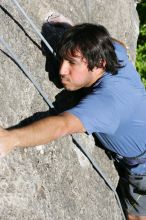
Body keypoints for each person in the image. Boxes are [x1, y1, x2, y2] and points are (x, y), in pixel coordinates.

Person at [0, 13, 146, 220]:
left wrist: (10, 139)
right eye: (62, 59)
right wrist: (74, 30)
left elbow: (62, 125)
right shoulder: (114, 53)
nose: (62, 70)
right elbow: (117, 43)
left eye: (72, 62)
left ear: (99, 63)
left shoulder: (107, 103)